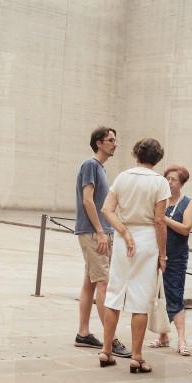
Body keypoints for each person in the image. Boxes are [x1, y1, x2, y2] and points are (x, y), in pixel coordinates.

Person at [99, 138, 171, 373]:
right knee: (141, 300)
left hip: (123, 239)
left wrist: (124, 232)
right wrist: (163, 254)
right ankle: (137, 356)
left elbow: (107, 209)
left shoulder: (123, 177)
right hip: (147, 240)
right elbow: (160, 221)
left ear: (136, 154)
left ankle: (106, 350)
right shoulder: (160, 182)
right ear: (157, 158)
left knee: (114, 295)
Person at [73, 126, 131, 358]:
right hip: (93, 232)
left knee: (90, 282)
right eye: (111, 140)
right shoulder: (90, 165)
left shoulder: (99, 168)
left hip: (97, 231)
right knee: (103, 283)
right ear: (99, 143)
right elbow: (87, 200)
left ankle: (83, 334)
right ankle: (111, 339)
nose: (115, 144)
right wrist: (100, 231)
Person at [149, 165, 192, 356]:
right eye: (167, 178)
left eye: (174, 179)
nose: (169, 182)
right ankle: (163, 336)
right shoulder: (161, 200)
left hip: (176, 257)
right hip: (156, 254)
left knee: (175, 295)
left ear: (182, 182)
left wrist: (163, 218)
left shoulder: (188, 203)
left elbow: (185, 228)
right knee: (160, 295)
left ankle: (182, 339)